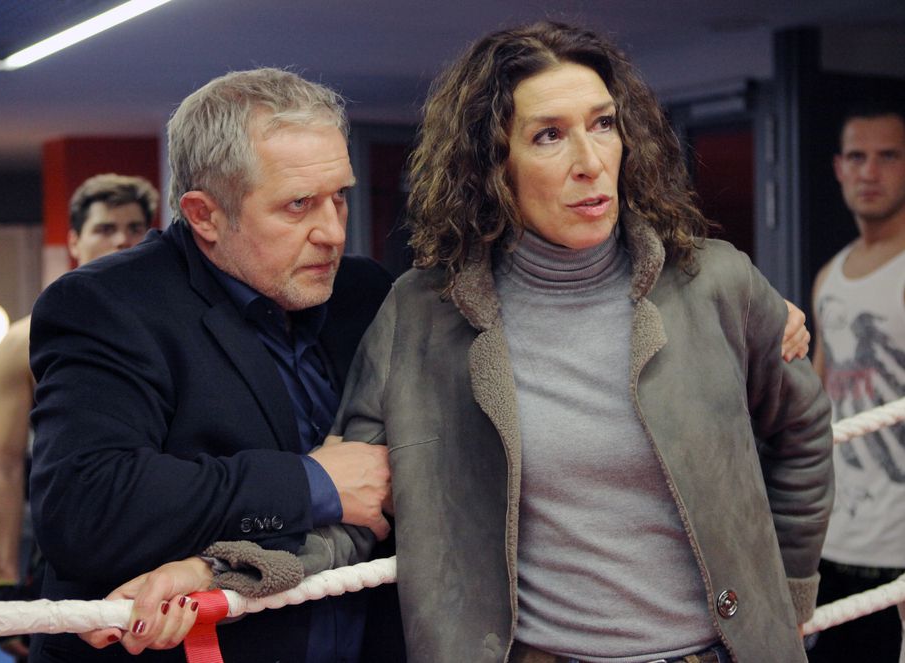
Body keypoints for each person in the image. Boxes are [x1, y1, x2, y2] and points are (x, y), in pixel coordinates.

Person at [328, 21, 832, 663]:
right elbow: (353, 491)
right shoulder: (422, 312)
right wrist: (232, 571)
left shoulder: (714, 282)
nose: (590, 162)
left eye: (603, 124)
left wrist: (787, 593)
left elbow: (804, 431)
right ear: (493, 166)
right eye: (549, 135)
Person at [27, 68, 400, 663]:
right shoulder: (109, 304)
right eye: (298, 205)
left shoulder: (365, 293)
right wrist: (312, 484)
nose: (333, 232)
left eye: (339, 196)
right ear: (204, 215)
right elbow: (85, 505)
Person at [0, 172, 158, 662]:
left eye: (135, 227)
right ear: (75, 242)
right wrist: (5, 582)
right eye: (105, 228)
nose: (122, 240)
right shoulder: (26, 339)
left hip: (165, 553)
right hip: (68, 555)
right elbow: (3, 465)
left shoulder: (173, 330)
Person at [809, 102, 905, 663]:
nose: (870, 172)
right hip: (835, 541)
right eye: (857, 157)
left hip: (898, 553)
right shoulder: (832, 274)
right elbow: (814, 407)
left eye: (888, 156)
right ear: (840, 168)